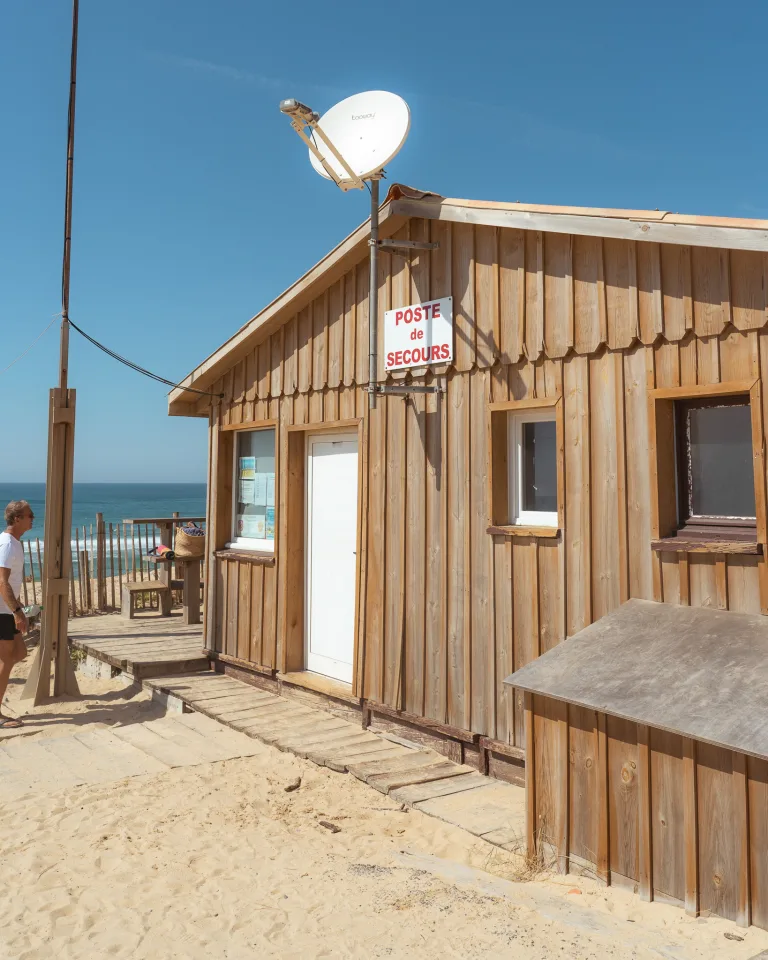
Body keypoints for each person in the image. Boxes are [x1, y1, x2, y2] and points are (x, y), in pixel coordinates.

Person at [0, 500, 34, 727]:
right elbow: (2, 581)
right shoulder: (7, 545)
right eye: (29, 515)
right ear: (16, 519)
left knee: (19, 652)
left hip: (7, 609)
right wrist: (16, 611)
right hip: (2, 611)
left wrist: (20, 607)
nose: (33, 518)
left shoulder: (14, 543)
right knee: (6, 659)